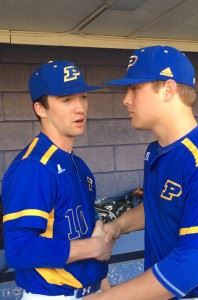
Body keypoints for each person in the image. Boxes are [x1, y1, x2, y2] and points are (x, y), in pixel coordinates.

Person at [86, 45, 198, 300]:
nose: (125, 100)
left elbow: (189, 269)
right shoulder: (157, 151)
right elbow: (158, 206)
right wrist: (117, 226)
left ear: (169, 89)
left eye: (134, 88)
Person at [2, 60, 114, 299]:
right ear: (40, 109)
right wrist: (93, 247)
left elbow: (87, 235)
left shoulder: (78, 165)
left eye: (83, 97)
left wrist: (106, 290)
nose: (80, 108)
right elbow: (18, 250)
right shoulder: (34, 168)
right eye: (66, 100)